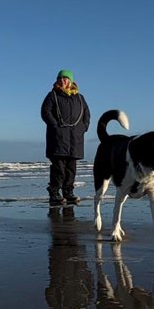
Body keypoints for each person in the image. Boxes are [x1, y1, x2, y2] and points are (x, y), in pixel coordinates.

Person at [41, 69, 90, 206]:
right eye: (61, 78)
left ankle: (68, 193)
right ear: (57, 80)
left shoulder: (80, 98)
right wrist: (55, 125)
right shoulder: (52, 96)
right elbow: (45, 112)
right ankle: (55, 193)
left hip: (75, 139)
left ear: (71, 81)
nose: (63, 80)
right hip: (58, 138)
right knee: (58, 169)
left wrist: (83, 128)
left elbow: (86, 114)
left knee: (71, 169)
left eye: (66, 78)